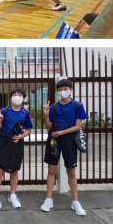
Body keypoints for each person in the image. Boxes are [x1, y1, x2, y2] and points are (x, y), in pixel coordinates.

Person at [41, 78, 88, 216]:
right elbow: (49, 126)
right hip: (54, 140)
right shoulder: (54, 107)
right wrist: (46, 116)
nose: (63, 92)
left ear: (70, 90)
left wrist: (61, 132)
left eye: (65, 89)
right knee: (51, 170)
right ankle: (48, 199)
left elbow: (78, 126)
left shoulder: (77, 106)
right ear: (57, 92)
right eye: (60, 90)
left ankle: (75, 202)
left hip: (69, 140)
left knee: (71, 171)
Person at [0, 89, 32, 210]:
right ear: (11, 98)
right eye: (14, 95)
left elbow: (28, 130)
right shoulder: (4, 111)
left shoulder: (25, 113)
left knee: (14, 170)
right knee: (0, 169)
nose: (17, 97)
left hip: (17, 142)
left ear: (23, 98)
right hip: (3, 141)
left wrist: (21, 136)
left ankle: (13, 195)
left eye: (19, 95)